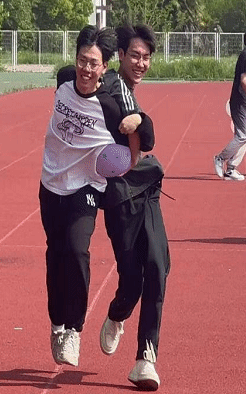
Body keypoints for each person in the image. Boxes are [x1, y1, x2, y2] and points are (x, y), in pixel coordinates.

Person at [40, 25, 135, 369]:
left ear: (104, 67)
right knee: (56, 255)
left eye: (94, 63)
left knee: (78, 250)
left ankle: (74, 329)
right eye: (83, 60)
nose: (86, 68)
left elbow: (143, 136)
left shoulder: (109, 105)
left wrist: (135, 127)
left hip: (86, 187)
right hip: (51, 183)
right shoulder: (63, 79)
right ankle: (57, 324)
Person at [99, 24, 170, 391]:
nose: (141, 63)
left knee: (157, 267)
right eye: (135, 56)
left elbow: (145, 134)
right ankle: (117, 313)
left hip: (146, 190)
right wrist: (143, 122)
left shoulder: (127, 90)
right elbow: (147, 136)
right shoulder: (112, 87)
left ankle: (145, 359)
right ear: (121, 55)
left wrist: (142, 120)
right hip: (119, 196)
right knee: (132, 280)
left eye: (147, 57)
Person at [214, 29, 246, 181]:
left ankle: (231, 169)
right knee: (242, 136)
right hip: (240, 101)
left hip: (242, 102)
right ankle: (221, 158)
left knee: (245, 136)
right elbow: (243, 80)